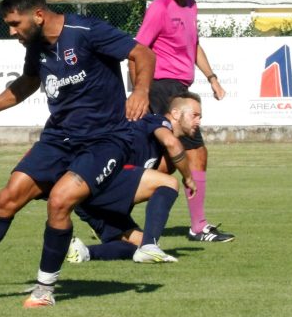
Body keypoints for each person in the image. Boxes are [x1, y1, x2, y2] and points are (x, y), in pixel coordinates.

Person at [0, 0, 156, 307]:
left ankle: (44, 290)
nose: (12, 32)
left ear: (38, 15)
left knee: (60, 200)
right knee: (8, 196)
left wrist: (140, 92)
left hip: (105, 140)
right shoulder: (36, 45)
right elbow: (27, 82)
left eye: (15, 24)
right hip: (59, 138)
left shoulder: (87, 31)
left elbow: (143, 53)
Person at [132, 0, 234, 242]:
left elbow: (194, 46)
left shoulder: (190, 6)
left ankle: (114, 206)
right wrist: (139, 89)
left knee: (166, 162)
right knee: (195, 153)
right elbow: (138, 50)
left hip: (181, 88)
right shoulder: (159, 8)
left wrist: (212, 78)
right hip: (164, 87)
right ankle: (198, 226)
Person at [68, 92, 211, 264]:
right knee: (169, 183)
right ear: (175, 114)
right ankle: (150, 247)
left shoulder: (160, 156)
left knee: (137, 244)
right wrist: (188, 178)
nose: (198, 121)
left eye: (200, 117)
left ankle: (83, 252)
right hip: (101, 179)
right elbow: (171, 143)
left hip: (92, 199)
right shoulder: (158, 121)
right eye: (194, 115)